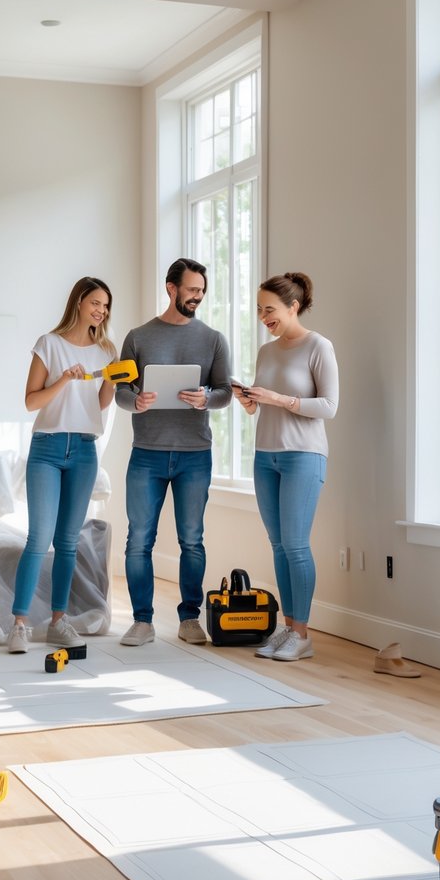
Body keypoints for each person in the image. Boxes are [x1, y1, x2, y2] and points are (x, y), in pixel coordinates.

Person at [115, 257, 232, 646]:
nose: (197, 296)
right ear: (171, 288)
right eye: (192, 290)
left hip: (194, 454)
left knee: (192, 539)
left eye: (202, 291)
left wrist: (205, 399)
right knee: (138, 540)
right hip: (146, 453)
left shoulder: (213, 339)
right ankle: (142, 621)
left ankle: (190, 618)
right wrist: (137, 402)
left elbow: (225, 393)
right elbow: (120, 392)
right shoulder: (138, 337)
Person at [231, 272, 338, 662]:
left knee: (295, 544)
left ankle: (303, 634)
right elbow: (266, 404)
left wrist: (280, 398)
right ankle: (288, 626)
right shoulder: (266, 351)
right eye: (259, 310)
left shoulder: (318, 346)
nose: (263, 316)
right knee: (278, 545)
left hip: (304, 455)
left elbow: (329, 406)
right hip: (266, 455)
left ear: (293, 307)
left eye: (270, 309)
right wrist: (251, 401)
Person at [7, 276, 117, 654]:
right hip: (48, 447)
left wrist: (115, 378)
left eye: (106, 306)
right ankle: (19, 624)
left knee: (68, 542)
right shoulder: (49, 345)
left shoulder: (106, 351)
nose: (101, 310)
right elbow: (31, 402)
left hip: (85, 449)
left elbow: (99, 405)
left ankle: (59, 621)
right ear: (79, 302)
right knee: (38, 538)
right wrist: (64, 381)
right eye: (96, 303)